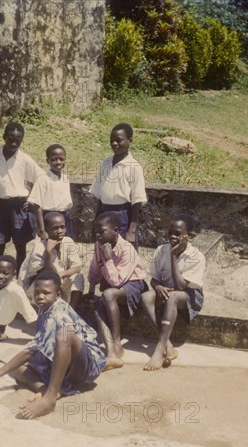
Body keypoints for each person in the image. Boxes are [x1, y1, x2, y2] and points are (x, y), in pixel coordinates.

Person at [0, 271, 106, 419]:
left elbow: (31, 351)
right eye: (37, 292)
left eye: (46, 293)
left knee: (64, 334)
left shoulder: (57, 313)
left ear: (58, 295)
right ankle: (47, 389)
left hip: (85, 367)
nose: (40, 296)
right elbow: (38, 345)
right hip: (67, 361)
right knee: (16, 367)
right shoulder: (45, 308)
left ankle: (50, 398)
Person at [0, 122, 45, 272]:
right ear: (4, 137)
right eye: (10, 138)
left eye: (18, 139)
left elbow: (41, 179)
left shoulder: (25, 159)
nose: (14, 142)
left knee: (20, 245)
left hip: (19, 207)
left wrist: (31, 199)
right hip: (0, 206)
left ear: (22, 140)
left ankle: (19, 278)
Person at [141, 215, 206, 371]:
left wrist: (174, 256)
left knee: (174, 296)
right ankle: (167, 344)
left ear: (187, 235)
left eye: (177, 233)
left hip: (188, 296)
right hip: (167, 292)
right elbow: (154, 279)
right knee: (145, 296)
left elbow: (181, 287)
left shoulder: (196, 257)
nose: (172, 236)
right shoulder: (161, 250)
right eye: (170, 232)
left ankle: (159, 349)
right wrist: (158, 288)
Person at [87, 211, 148, 371]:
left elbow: (118, 281)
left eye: (102, 232)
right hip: (114, 286)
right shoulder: (99, 245)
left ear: (115, 230)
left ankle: (117, 341)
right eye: (96, 233)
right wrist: (91, 289)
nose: (98, 236)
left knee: (107, 294)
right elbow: (95, 267)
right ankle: (112, 353)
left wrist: (108, 258)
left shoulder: (127, 249)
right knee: (99, 308)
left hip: (133, 284)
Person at [90, 123, 147, 249]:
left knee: (123, 251)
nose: (114, 144)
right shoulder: (106, 163)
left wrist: (131, 230)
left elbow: (137, 201)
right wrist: (96, 221)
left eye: (119, 140)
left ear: (130, 140)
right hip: (104, 213)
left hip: (122, 215)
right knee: (103, 250)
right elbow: (100, 196)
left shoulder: (134, 167)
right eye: (112, 141)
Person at [18, 212, 84, 310]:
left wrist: (61, 274)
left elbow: (77, 267)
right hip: (42, 283)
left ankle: (71, 311)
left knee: (78, 277)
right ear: (47, 230)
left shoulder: (68, 241)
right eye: (55, 228)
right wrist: (48, 252)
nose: (60, 231)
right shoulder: (40, 247)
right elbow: (46, 274)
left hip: (61, 280)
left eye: (62, 227)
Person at [28, 144, 74, 240]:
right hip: (50, 219)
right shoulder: (43, 180)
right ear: (47, 161)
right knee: (50, 247)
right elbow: (37, 206)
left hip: (64, 217)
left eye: (61, 159)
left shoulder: (65, 178)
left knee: (65, 245)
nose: (58, 162)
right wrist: (42, 229)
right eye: (54, 159)